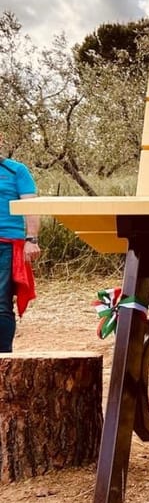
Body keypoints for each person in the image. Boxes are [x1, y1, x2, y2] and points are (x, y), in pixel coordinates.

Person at [0, 132, 40, 352]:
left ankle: (3, 358)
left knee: (1, 302)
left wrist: (31, 239)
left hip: (7, 244)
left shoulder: (16, 170)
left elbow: (31, 206)